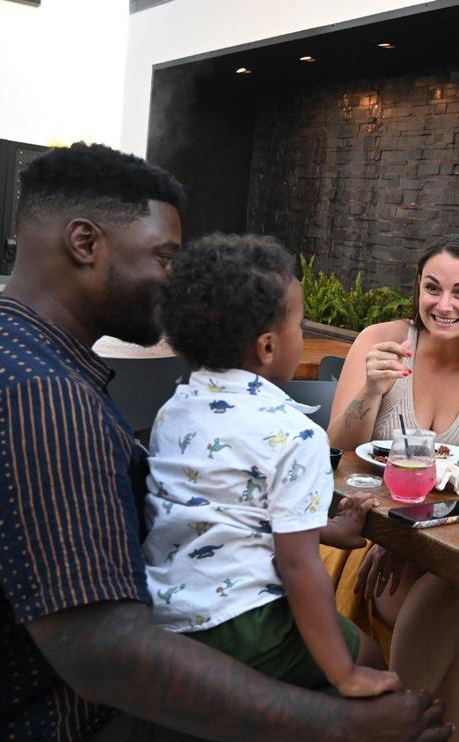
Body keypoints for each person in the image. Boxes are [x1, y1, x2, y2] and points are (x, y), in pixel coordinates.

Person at [0, 143, 449, 742]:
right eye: (164, 256)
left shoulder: (15, 352)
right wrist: (344, 727)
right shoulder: (44, 396)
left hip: (81, 683)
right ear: (85, 243)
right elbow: (102, 650)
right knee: (382, 729)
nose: (176, 280)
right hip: (62, 733)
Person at [142, 233, 400, 699]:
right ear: (266, 347)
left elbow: (227, 510)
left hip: (165, 613)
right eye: (299, 326)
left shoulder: (174, 411)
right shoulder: (294, 434)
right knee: (373, 659)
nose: (301, 337)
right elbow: (298, 566)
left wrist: (329, 530)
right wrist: (345, 672)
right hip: (242, 622)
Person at [328, 234, 459, 742]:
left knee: (457, 584)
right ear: (416, 288)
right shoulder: (381, 341)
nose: (444, 304)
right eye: (432, 288)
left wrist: (405, 540)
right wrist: (371, 391)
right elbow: (339, 449)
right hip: (356, 538)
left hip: (431, 547)